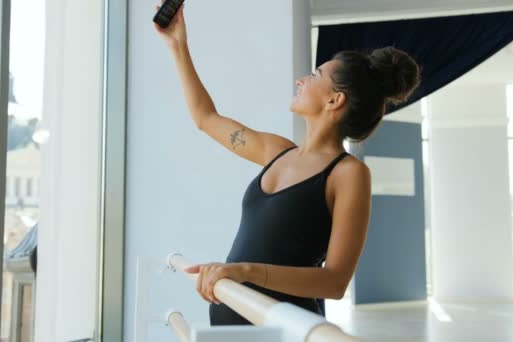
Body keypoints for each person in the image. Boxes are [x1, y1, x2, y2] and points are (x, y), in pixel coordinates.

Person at [154, 2, 420, 325]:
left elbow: (335, 281)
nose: (301, 81)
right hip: (231, 328)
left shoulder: (349, 174)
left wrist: (244, 271)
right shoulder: (276, 150)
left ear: (334, 100)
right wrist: (178, 45)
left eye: (315, 75)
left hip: (285, 330)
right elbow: (206, 118)